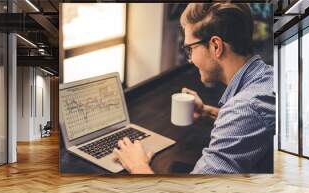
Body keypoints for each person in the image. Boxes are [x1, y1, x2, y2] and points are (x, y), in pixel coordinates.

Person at [113, 2, 275, 174]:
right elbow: (250, 121)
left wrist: (137, 165)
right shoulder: (267, 77)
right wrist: (207, 112)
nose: (190, 59)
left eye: (190, 49)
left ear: (215, 46)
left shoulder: (244, 109)